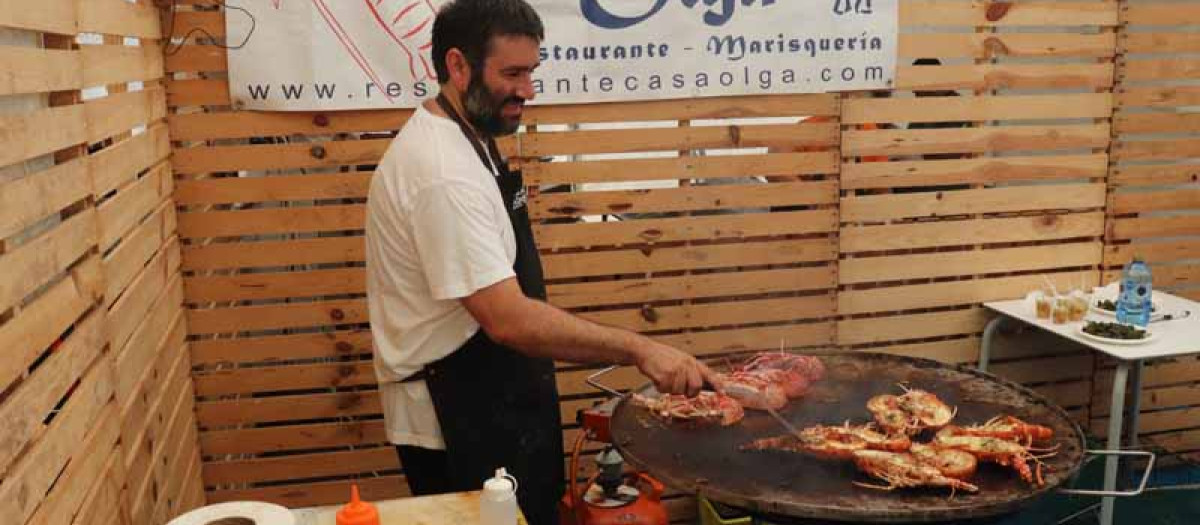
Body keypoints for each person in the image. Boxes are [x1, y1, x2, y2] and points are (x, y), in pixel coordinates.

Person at [363, 2, 721, 524]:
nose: (528, 89)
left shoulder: (473, 138)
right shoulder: (442, 174)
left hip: (495, 394)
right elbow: (507, 318)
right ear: (458, 66)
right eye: (512, 73)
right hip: (457, 417)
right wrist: (640, 349)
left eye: (531, 71)